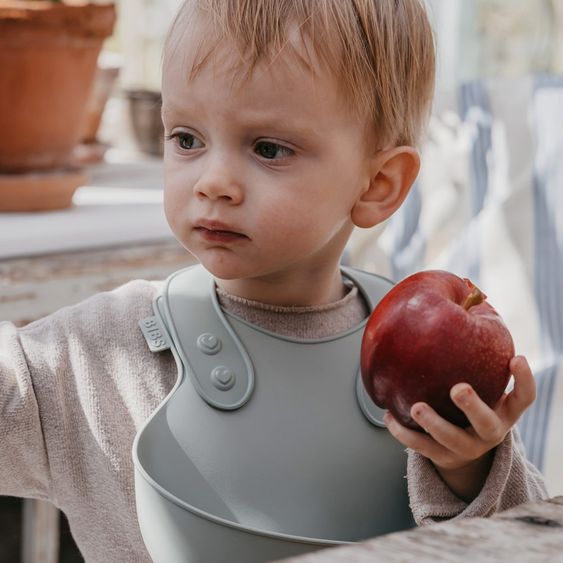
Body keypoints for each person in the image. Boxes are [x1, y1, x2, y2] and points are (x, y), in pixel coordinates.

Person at [0, 1, 546, 561]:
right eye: (186, 138)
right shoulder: (102, 353)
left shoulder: (434, 369)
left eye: (268, 149)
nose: (213, 182)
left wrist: (469, 466)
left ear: (378, 183)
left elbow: (523, 540)